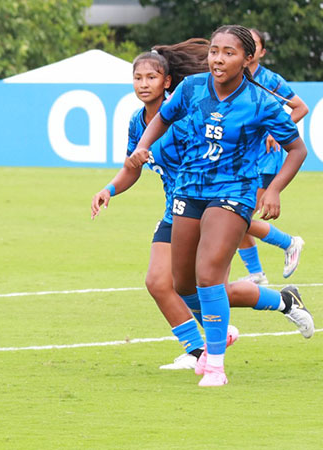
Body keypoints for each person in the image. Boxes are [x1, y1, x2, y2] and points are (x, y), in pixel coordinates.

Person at [91, 40, 309, 372]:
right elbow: (132, 166)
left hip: (206, 203)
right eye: (138, 78)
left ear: (167, 82)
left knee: (209, 287)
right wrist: (109, 188)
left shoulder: (184, 115)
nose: (143, 84)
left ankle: (276, 301)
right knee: (160, 282)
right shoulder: (140, 122)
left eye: (151, 78)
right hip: (176, 209)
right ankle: (198, 349)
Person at [235, 28, 309, 285]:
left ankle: (288, 243)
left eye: (254, 44)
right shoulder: (233, 77)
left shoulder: (271, 80)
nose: (249, 48)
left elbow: (301, 107)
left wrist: (278, 133)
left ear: (261, 52)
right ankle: (256, 273)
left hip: (264, 158)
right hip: (239, 156)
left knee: (238, 216)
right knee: (234, 216)